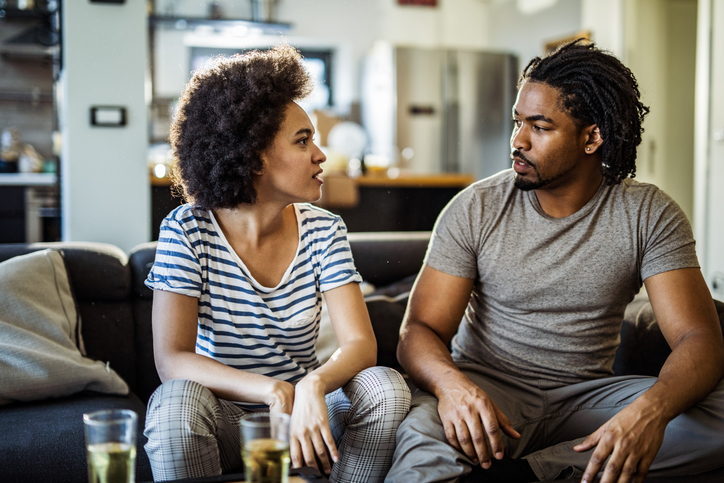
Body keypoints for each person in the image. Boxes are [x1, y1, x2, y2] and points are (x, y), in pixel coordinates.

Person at [386, 39, 724, 483]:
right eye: (517, 121)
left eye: (540, 127)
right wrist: (452, 388)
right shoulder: (476, 207)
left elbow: (699, 337)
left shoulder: (648, 213)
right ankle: (574, 467)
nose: (517, 141)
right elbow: (419, 330)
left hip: (587, 401)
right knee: (420, 440)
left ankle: (532, 473)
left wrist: (650, 412)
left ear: (592, 137)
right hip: (487, 396)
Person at [143, 45, 411, 483]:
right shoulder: (187, 230)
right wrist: (273, 391)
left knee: (386, 387)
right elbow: (172, 359)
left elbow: (361, 345)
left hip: (309, 418)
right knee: (174, 402)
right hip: (227, 421)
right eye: (303, 141)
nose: (320, 154)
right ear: (253, 156)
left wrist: (313, 386)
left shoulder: (325, 230)